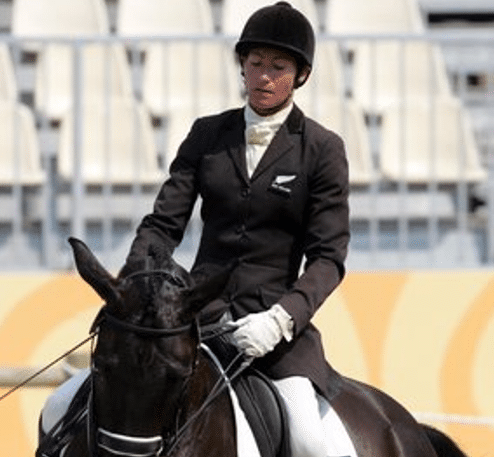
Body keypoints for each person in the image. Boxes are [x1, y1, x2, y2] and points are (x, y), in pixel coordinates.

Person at [125, 2, 350, 457]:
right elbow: (163, 224)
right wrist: (137, 286)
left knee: (310, 441)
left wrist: (281, 319)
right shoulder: (207, 135)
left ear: (301, 75)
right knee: (99, 403)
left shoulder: (322, 149)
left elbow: (327, 258)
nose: (264, 77)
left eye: (278, 67)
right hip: (199, 321)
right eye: (256, 64)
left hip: (274, 333)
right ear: (242, 66)